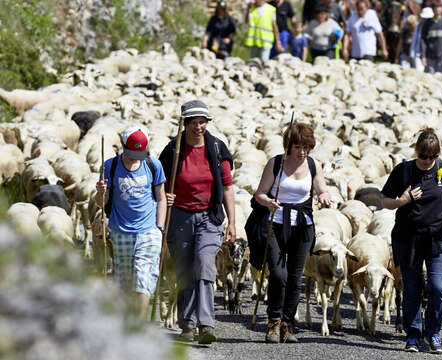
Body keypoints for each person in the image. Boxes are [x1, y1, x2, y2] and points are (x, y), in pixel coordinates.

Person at [381, 128, 442, 354]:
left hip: (440, 237)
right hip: (408, 239)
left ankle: (434, 333)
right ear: (416, 152)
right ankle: (413, 335)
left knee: (437, 287)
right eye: (423, 156)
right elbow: (385, 201)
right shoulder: (404, 170)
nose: (428, 161)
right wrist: (403, 200)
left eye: (432, 157)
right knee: (412, 288)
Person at [159, 100, 236, 344]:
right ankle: (188, 325)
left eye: (202, 122)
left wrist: (232, 221)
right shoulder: (173, 150)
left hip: (209, 216)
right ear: (184, 124)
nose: (198, 127)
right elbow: (159, 183)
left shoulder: (216, 148)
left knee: (204, 265)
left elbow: (227, 186)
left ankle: (206, 323)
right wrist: (164, 196)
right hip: (180, 216)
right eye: (193, 122)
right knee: (184, 271)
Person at [254, 122, 332, 343]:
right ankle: (274, 321)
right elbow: (260, 193)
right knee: (279, 274)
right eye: (298, 147)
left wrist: (323, 195)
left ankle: (288, 325)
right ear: (288, 146)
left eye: (306, 147)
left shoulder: (313, 165)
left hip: (303, 225)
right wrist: (268, 201)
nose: (302, 152)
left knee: (296, 278)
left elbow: (321, 187)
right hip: (276, 223)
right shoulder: (276, 163)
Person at [95, 126, 167, 319]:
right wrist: (100, 192)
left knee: (143, 279)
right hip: (121, 231)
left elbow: (161, 198)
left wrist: (160, 227)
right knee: (125, 281)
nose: (136, 157)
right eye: (132, 153)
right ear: (123, 146)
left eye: (140, 153)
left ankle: (139, 326)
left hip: (149, 230)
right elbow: (100, 203)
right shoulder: (110, 166)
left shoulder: (153, 165)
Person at [420, 1, 442, 73]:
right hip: (430, 57)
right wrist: (423, 56)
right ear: (432, 9)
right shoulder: (427, 24)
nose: (438, 10)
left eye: (439, 8)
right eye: (436, 8)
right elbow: (423, 40)